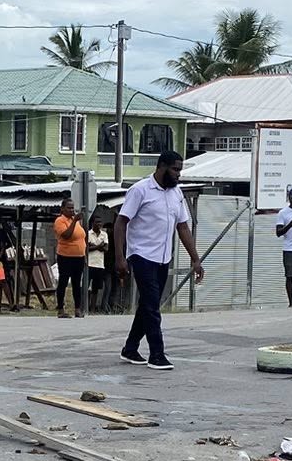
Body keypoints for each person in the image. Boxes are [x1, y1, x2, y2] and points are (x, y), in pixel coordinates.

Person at [116, 149, 205, 371]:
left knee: (149, 304)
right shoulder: (140, 191)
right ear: (162, 166)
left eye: (180, 171)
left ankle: (130, 348)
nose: (178, 175)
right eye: (175, 170)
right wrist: (120, 257)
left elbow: (183, 227)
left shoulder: (176, 194)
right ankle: (157, 354)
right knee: (152, 306)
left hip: (163, 257)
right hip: (141, 255)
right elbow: (121, 222)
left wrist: (196, 259)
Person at [54, 194, 88, 318]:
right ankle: (60, 309)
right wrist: (74, 221)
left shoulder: (76, 222)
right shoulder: (60, 221)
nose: (71, 210)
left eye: (73, 208)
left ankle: (78, 308)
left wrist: (84, 255)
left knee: (76, 282)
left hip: (79, 257)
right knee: (63, 282)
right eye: (69, 208)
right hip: (65, 256)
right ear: (62, 209)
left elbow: (82, 237)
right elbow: (66, 235)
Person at [86, 214, 112, 314]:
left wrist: (94, 246)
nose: (99, 224)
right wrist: (99, 246)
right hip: (89, 264)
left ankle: (92, 309)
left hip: (99, 265)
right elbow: (87, 249)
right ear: (93, 223)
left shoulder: (104, 234)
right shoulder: (88, 234)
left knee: (96, 289)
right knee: (86, 287)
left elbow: (106, 249)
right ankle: (86, 308)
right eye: (97, 222)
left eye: (100, 222)